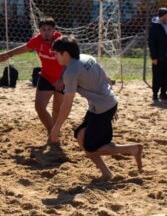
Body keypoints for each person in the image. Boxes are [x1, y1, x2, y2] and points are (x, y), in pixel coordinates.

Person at [50, 36, 143, 181]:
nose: (54, 56)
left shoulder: (71, 72)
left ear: (65, 54)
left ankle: (132, 149)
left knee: (92, 147)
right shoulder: (86, 57)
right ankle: (106, 173)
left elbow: (67, 104)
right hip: (103, 104)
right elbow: (105, 76)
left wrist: (56, 127)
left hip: (103, 108)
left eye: (56, 53)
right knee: (81, 136)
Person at [0, 17, 64, 143]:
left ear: (54, 30)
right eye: (43, 29)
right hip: (46, 77)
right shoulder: (37, 40)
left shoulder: (61, 41)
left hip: (62, 78)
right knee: (39, 107)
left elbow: (70, 61)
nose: (46, 32)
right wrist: (8, 54)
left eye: (49, 29)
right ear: (39, 31)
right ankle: (52, 131)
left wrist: (61, 78)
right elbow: (24, 48)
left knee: (57, 109)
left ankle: (55, 135)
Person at [148, 7, 167, 102]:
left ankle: (163, 94)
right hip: (159, 57)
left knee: (166, 76)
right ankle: (155, 94)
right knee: (157, 76)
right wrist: (154, 57)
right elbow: (152, 43)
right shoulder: (155, 26)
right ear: (163, 16)